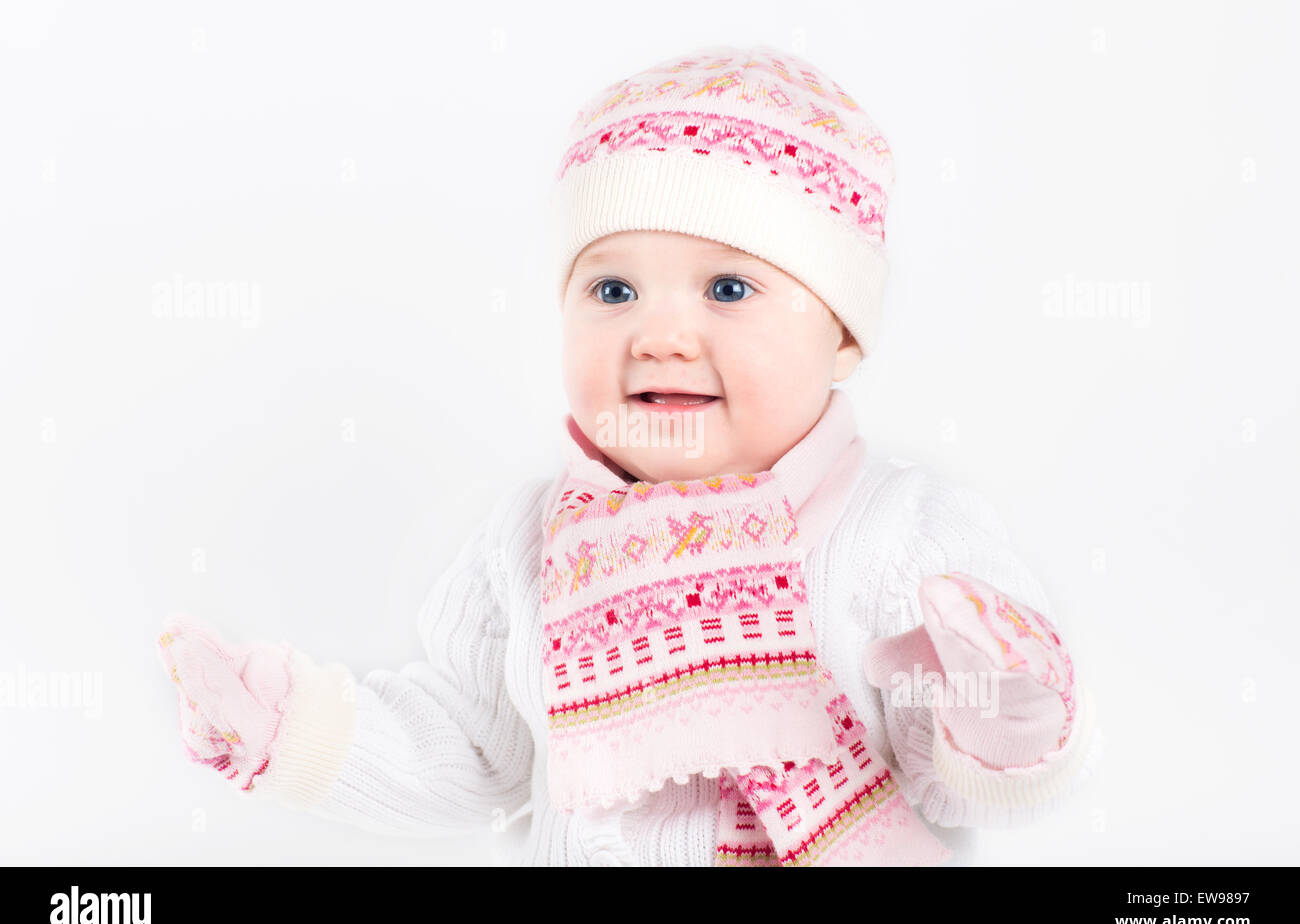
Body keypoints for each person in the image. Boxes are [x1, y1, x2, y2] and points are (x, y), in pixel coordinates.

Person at [156, 44, 1102, 866]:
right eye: (613, 291)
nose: (659, 336)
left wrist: (1003, 708)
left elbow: (959, 790)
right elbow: (472, 750)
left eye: (727, 289)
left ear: (844, 336)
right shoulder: (531, 544)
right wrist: (292, 728)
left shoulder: (904, 537)